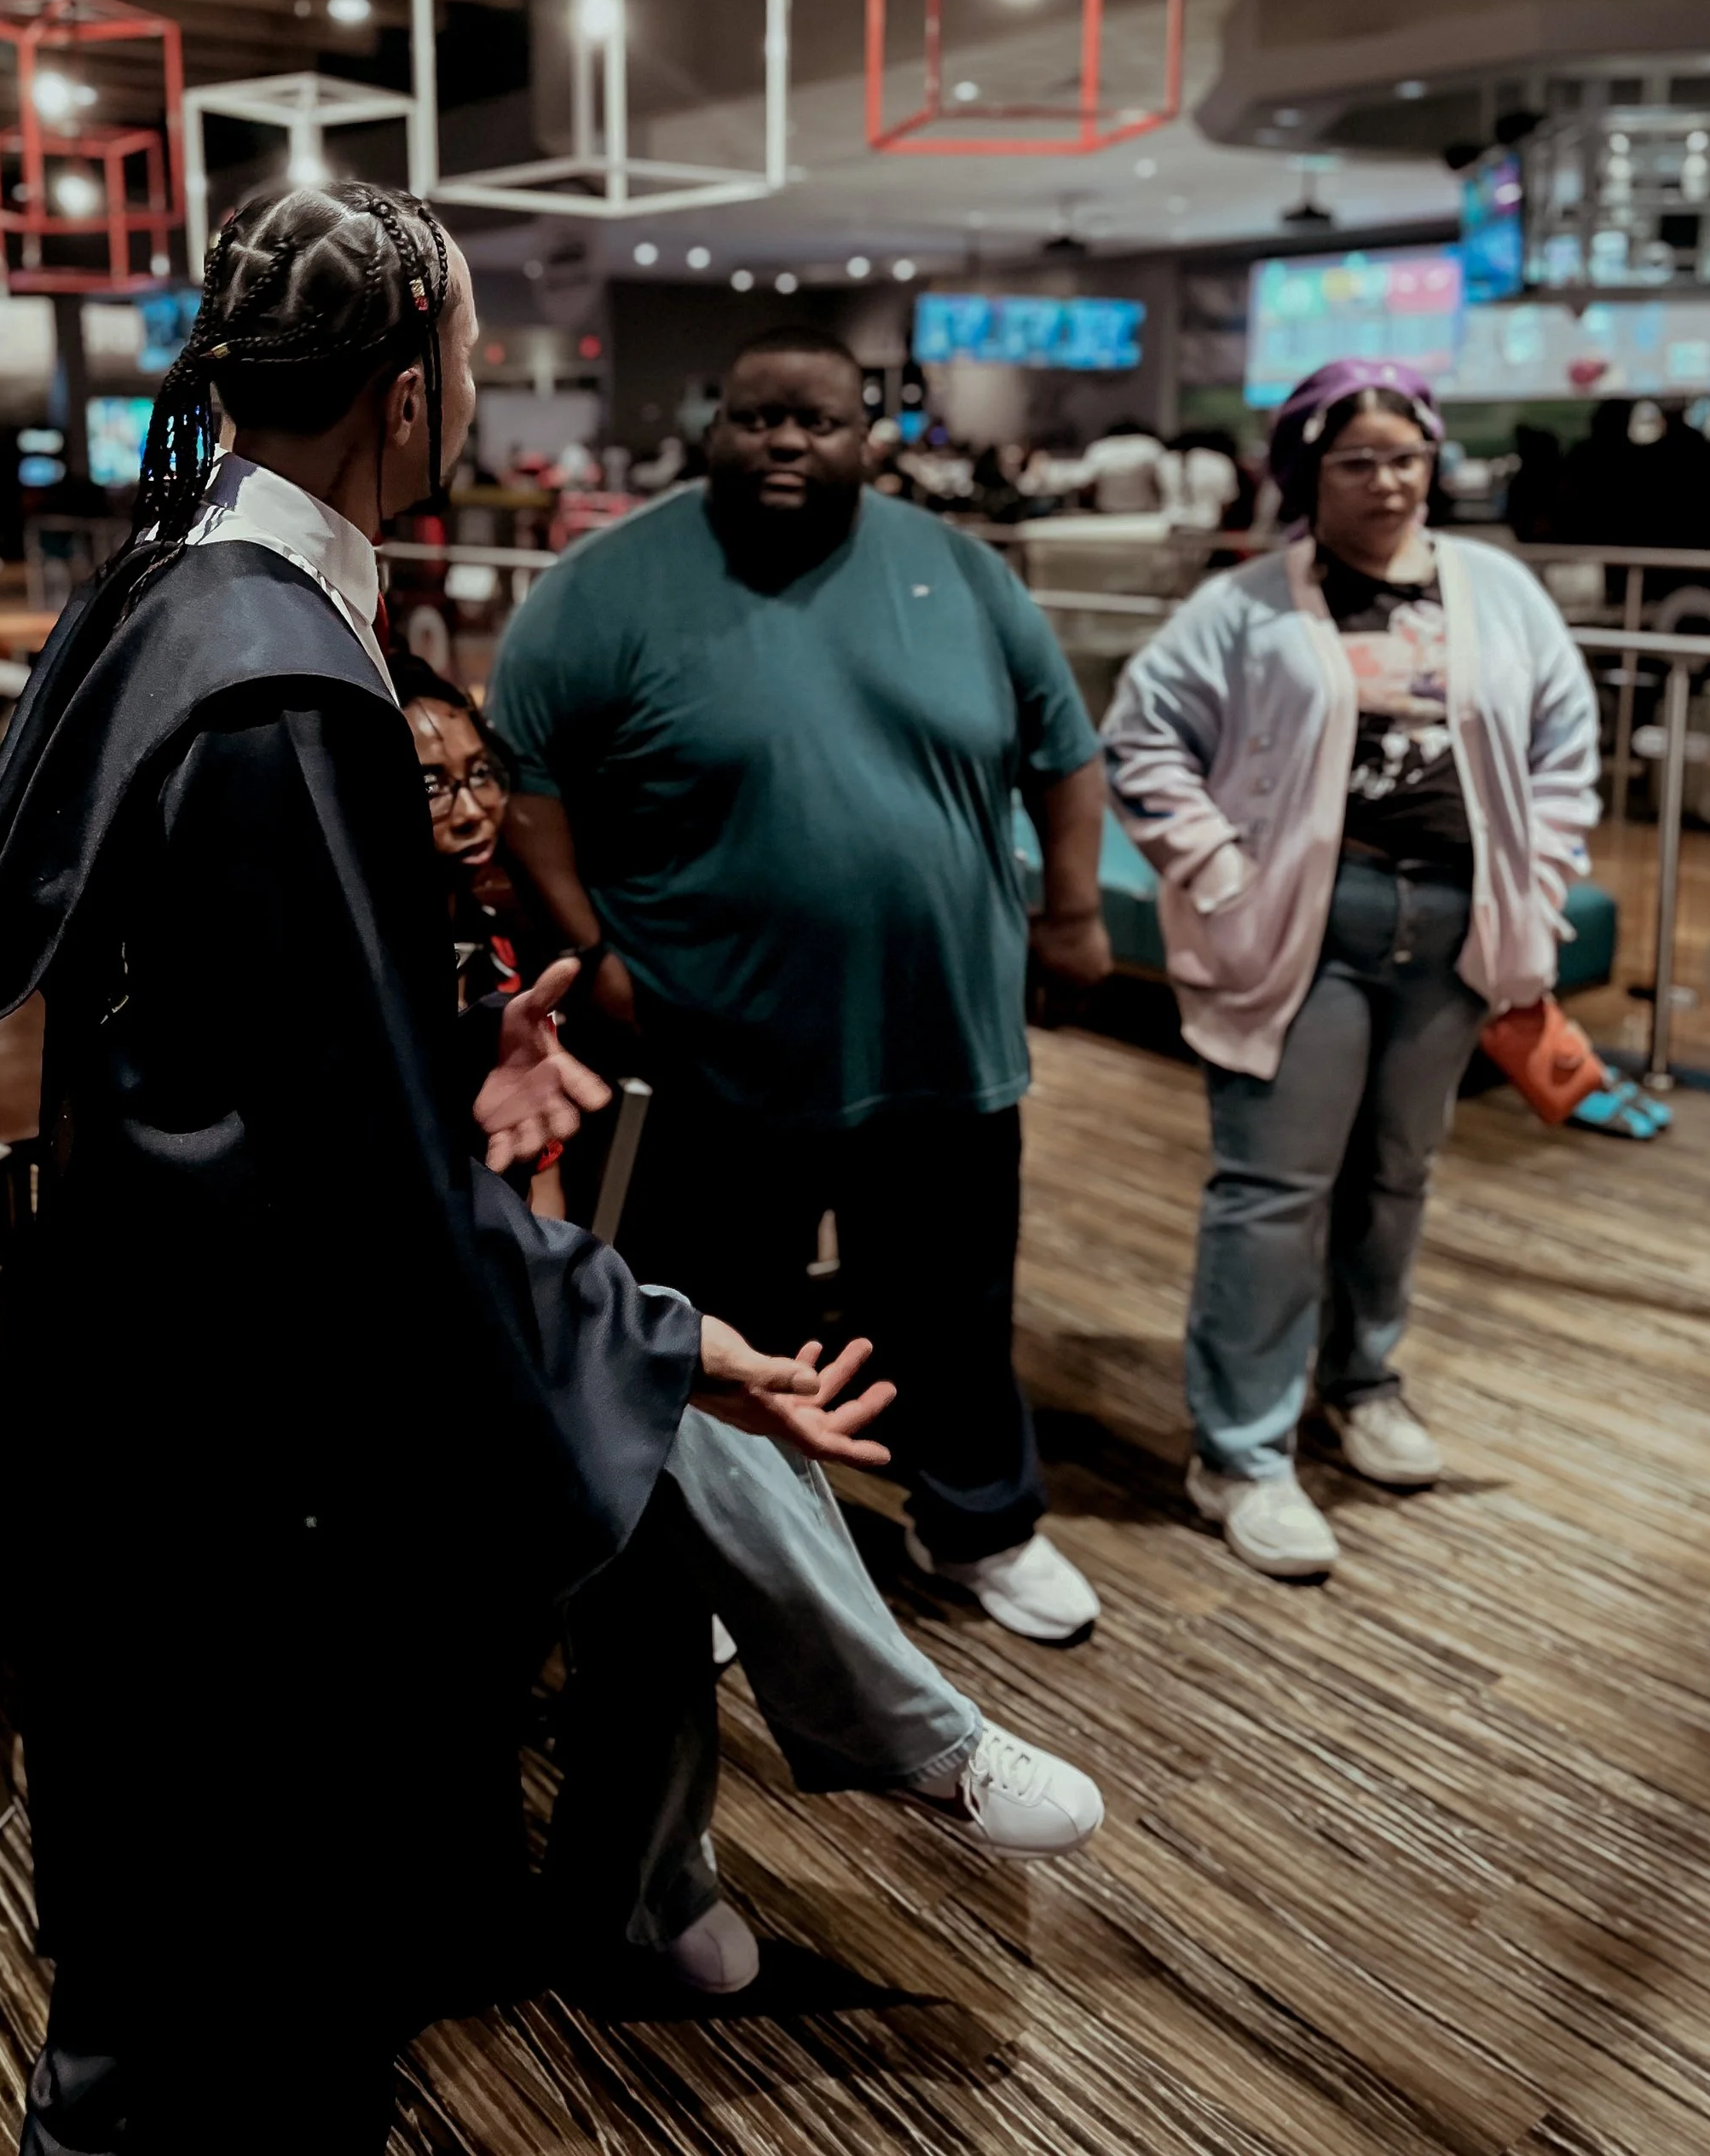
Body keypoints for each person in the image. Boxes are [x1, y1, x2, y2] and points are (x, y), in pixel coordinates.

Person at [0, 191, 909, 2147]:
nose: (469, 391)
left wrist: (441, 1035)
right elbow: (363, 1193)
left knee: (167, 1946)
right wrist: (661, 1336)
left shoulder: (170, 584)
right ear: (405, 395)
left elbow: (184, 1005)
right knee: (230, 2018)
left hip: (143, 1356)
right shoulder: (286, 675)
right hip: (239, 1419)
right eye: (463, 357)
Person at [391, 650, 1106, 1992]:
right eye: (426, 783)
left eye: (481, 772)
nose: (468, 805)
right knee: (662, 1402)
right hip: (382, 1373)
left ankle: (643, 1900)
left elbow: (542, 1237)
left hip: (500, 1336)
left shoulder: (488, 957)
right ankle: (908, 1744)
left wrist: (604, 1323)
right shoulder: (362, 975)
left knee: (653, 1444)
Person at [489, 326, 1112, 1645]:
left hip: (939, 1030)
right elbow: (525, 772)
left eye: (816, 422)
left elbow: (1063, 751)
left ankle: (975, 1523)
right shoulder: (606, 584)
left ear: (864, 437)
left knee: (946, 1301)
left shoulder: (959, 573)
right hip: (714, 1030)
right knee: (723, 1310)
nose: (785, 442)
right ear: (716, 425)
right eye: (757, 417)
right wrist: (587, 945)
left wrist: (1070, 911)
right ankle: (726, 1555)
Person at [1102, 357, 1599, 1580]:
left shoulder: (1499, 592)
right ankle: (1241, 1451)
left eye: (1407, 458)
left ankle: (1360, 1385)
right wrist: (1220, 871)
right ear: (1305, 474)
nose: (1387, 483)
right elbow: (1141, 735)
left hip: (1453, 924)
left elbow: (1562, 745)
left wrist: (1535, 885)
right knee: (1273, 1188)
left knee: (1398, 1174)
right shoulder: (1245, 605)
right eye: (1356, 462)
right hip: (1310, 929)